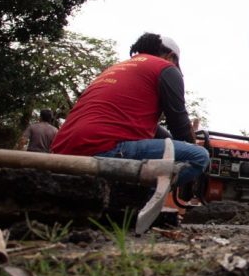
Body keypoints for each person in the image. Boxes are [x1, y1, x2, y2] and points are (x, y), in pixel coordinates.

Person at [51, 33, 208, 188]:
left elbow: (140, 125)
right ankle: (138, 200)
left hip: (61, 150)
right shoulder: (166, 68)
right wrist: (192, 150)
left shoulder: (116, 68)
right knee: (198, 157)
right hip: (104, 148)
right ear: (171, 56)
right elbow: (178, 122)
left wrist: (168, 138)